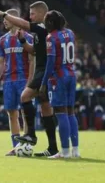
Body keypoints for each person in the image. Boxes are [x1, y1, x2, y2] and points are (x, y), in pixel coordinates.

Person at [0, 1, 59, 157]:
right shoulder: (5, 40)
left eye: (33, 13)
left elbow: (32, 56)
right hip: (12, 80)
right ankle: (45, 147)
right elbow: (32, 51)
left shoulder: (38, 29)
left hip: (34, 76)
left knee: (30, 102)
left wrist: (3, 13)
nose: (30, 16)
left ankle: (30, 138)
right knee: (36, 110)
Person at [0, 9, 35, 156]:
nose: (4, 21)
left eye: (6, 18)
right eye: (3, 19)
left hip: (24, 79)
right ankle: (16, 147)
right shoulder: (2, 40)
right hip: (9, 81)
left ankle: (26, 146)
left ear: (14, 19)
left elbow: (31, 61)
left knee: (25, 113)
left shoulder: (27, 37)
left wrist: (30, 82)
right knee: (11, 113)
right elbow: (1, 61)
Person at [39, 10, 80, 159]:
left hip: (58, 78)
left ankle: (64, 151)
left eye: (46, 22)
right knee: (71, 112)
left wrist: (43, 84)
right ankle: (75, 151)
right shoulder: (70, 33)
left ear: (50, 22)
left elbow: (50, 63)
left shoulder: (51, 38)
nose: (45, 25)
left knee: (60, 113)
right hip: (71, 74)